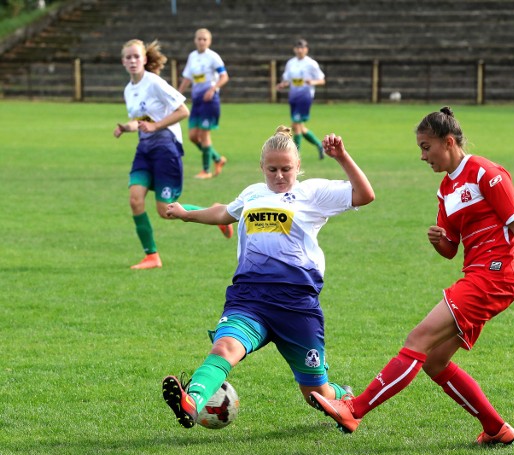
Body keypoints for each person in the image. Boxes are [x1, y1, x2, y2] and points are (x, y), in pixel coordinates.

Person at [309, 107, 514, 445]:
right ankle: (496, 429)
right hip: (478, 274)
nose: (422, 156)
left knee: (417, 340)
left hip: (496, 276)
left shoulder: (486, 172)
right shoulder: (446, 189)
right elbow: (451, 249)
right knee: (435, 361)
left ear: (449, 141)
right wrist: (439, 241)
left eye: (426, 147)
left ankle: (354, 410)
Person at [161, 126, 375, 428]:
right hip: (249, 298)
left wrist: (341, 156)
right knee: (224, 348)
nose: (279, 175)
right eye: (272, 169)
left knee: (315, 393)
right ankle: (192, 400)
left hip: (296, 304)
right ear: (262, 167)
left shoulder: (312, 192)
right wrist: (186, 213)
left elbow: (365, 195)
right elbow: (224, 213)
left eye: (286, 169)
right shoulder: (253, 193)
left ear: (298, 167)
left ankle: (344, 398)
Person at [114, 39, 233, 270]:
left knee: (166, 211)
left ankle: (216, 214)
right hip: (145, 149)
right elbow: (142, 120)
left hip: (166, 149)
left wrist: (156, 127)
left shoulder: (155, 83)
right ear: (122, 61)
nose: (132, 61)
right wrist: (126, 127)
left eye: (136, 56)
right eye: (128, 57)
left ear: (145, 59)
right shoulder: (129, 90)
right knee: (135, 199)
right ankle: (152, 256)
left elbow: (183, 111)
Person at [178, 28, 229, 179]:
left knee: (204, 135)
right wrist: (178, 94)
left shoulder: (213, 57)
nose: (201, 41)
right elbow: (187, 78)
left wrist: (213, 89)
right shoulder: (192, 57)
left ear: (209, 41)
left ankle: (206, 171)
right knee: (193, 136)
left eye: (204, 39)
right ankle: (218, 159)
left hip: (210, 101)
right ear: (195, 40)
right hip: (197, 101)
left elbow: (224, 77)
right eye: (199, 39)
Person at [276, 39, 326, 160]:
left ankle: (295, 154)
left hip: (305, 96)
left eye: (302, 48)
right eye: (297, 48)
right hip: (293, 96)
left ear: (306, 49)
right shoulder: (291, 63)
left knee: (296, 124)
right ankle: (319, 145)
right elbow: (288, 79)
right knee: (299, 127)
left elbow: (322, 80)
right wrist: (283, 84)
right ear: (294, 49)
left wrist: (312, 81)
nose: (300, 50)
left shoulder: (311, 64)